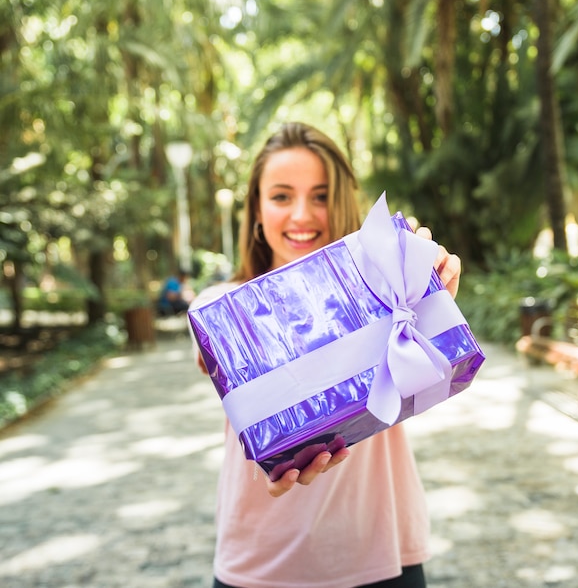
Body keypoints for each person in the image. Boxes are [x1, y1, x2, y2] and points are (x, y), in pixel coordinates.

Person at [190, 122, 461, 588]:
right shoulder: (219, 305)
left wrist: (427, 285)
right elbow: (208, 340)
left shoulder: (383, 288)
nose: (302, 214)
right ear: (256, 208)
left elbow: (430, 373)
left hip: (382, 549)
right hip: (259, 564)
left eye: (320, 195)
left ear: (342, 203)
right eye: (280, 196)